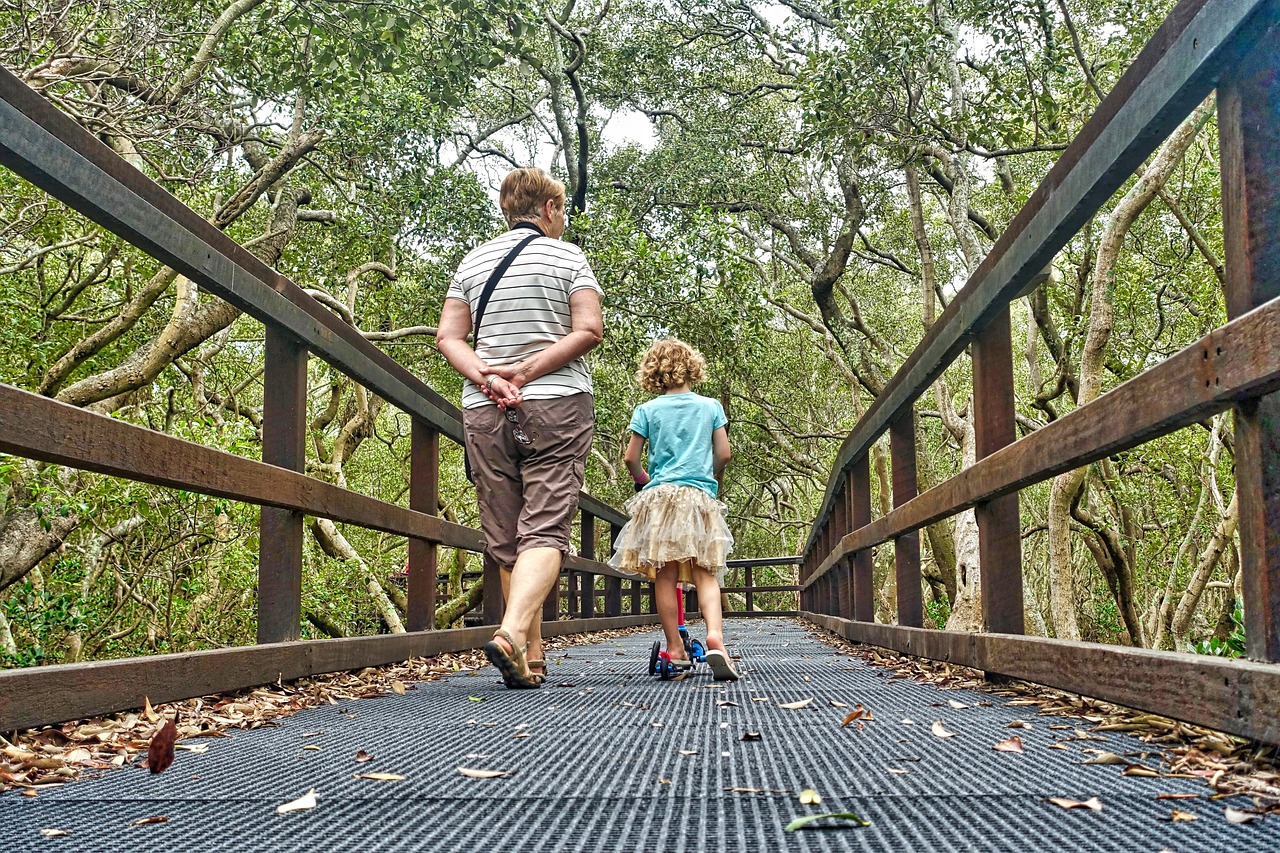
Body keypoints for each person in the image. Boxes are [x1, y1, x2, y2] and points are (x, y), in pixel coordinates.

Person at [436, 167, 603, 689]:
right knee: (545, 528)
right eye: (562, 212)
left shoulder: (472, 261)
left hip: (484, 411)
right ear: (550, 209)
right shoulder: (567, 256)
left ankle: (531, 658)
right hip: (555, 403)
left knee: (507, 535)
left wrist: (489, 377)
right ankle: (511, 634)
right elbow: (589, 330)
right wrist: (524, 374)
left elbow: (448, 337)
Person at [609, 339, 738, 680]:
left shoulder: (647, 411)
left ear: (653, 373)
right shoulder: (710, 407)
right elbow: (723, 454)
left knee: (665, 576)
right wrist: (705, 476)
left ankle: (676, 650)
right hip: (698, 497)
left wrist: (642, 477)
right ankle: (716, 638)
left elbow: (630, 458)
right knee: (706, 572)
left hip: (660, 499)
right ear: (693, 367)